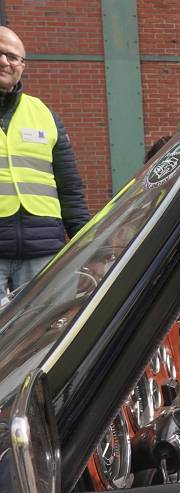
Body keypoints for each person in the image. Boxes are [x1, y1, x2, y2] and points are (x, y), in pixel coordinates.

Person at [0, 26, 89, 296]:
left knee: (50, 323)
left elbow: (69, 186)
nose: (4, 61)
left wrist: (87, 244)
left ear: (22, 66)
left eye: (12, 56)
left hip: (43, 251)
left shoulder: (44, 114)